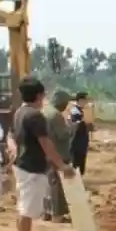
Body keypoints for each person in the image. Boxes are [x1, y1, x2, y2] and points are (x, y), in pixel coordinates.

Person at [12, 78, 74, 231]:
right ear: (39, 95)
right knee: (27, 209)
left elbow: (15, 137)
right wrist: (62, 165)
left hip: (23, 165)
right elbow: (46, 144)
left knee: (25, 207)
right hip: (32, 168)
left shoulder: (20, 112)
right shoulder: (35, 116)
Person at [42, 90, 74, 221]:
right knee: (57, 185)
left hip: (45, 153)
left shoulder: (44, 111)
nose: (66, 105)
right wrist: (71, 126)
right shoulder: (56, 115)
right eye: (66, 102)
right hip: (57, 153)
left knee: (47, 184)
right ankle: (57, 215)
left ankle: (46, 212)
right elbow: (64, 134)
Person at [68, 91, 92, 175]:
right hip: (77, 142)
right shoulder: (75, 110)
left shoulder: (80, 110)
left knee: (81, 162)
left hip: (81, 141)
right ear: (81, 100)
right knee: (76, 162)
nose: (87, 102)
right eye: (85, 100)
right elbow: (76, 125)